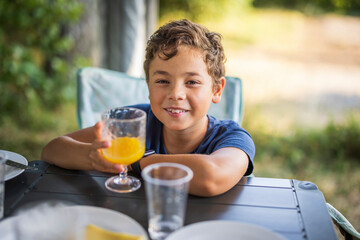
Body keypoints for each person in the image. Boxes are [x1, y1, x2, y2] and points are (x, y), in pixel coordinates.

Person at [41, 19, 255, 197]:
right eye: (162, 81)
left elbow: (211, 177)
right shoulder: (133, 122)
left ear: (217, 90)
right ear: (148, 85)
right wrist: (92, 156)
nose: (175, 94)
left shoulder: (233, 137)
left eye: (192, 82)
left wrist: (137, 162)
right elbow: (52, 149)